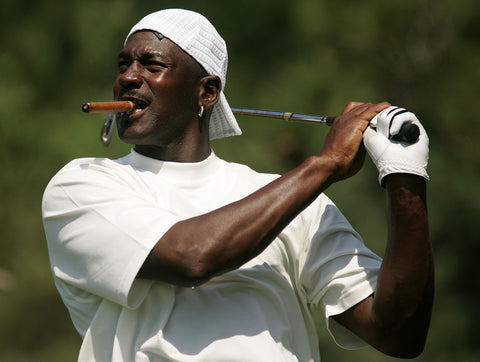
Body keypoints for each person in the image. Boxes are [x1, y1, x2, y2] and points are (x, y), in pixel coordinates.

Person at [42, 8, 434, 362]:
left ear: (207, 92)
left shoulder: (293, 201)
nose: (128, 77)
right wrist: (325, 165)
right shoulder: (82, 185)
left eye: (151, 65)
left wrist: (405, 179)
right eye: (123, 64)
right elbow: (192, 257)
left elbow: (398, 333)